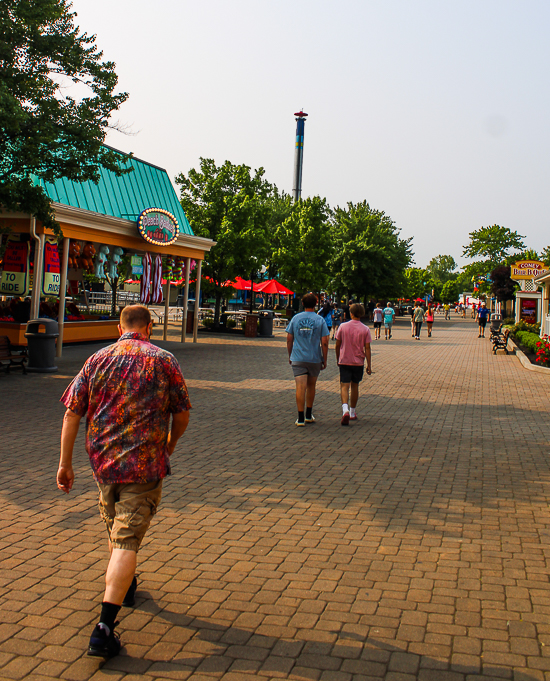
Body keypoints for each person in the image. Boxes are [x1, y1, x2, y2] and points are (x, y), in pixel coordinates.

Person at [57, 305, 191, 659]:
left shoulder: (97, 359)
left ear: (120, 326)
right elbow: (182, 412)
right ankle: (104, 627)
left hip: (103, 464)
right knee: (126, 539)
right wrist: (171, 444)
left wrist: (64, 464)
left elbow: (72, 412)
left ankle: (126, 584)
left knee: (118, 532)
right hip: (144, 465)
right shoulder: (163, 359)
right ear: (148, 327)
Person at [286, 293, 329, 426]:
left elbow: (289, 338)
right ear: (316, 304)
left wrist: (290, 355)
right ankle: (309, 414)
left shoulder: (295, 318)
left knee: (300, 386)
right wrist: (324, 358)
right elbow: (325, 341)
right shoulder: (320, 320)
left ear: (303, 303)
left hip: (298, 357)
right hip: (314, 357)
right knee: (311, 386)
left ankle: (300, 418)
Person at [335, 303, 372, 425]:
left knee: (344, 386)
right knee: (355, 386)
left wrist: (338, 358)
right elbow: (367, 348)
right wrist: (369, 364)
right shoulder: (365, 329)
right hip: (358, 362)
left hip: (345, 359)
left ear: (351, 313)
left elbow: (337, 344)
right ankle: (352, 412)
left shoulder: (343, 326)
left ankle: (344, 408)